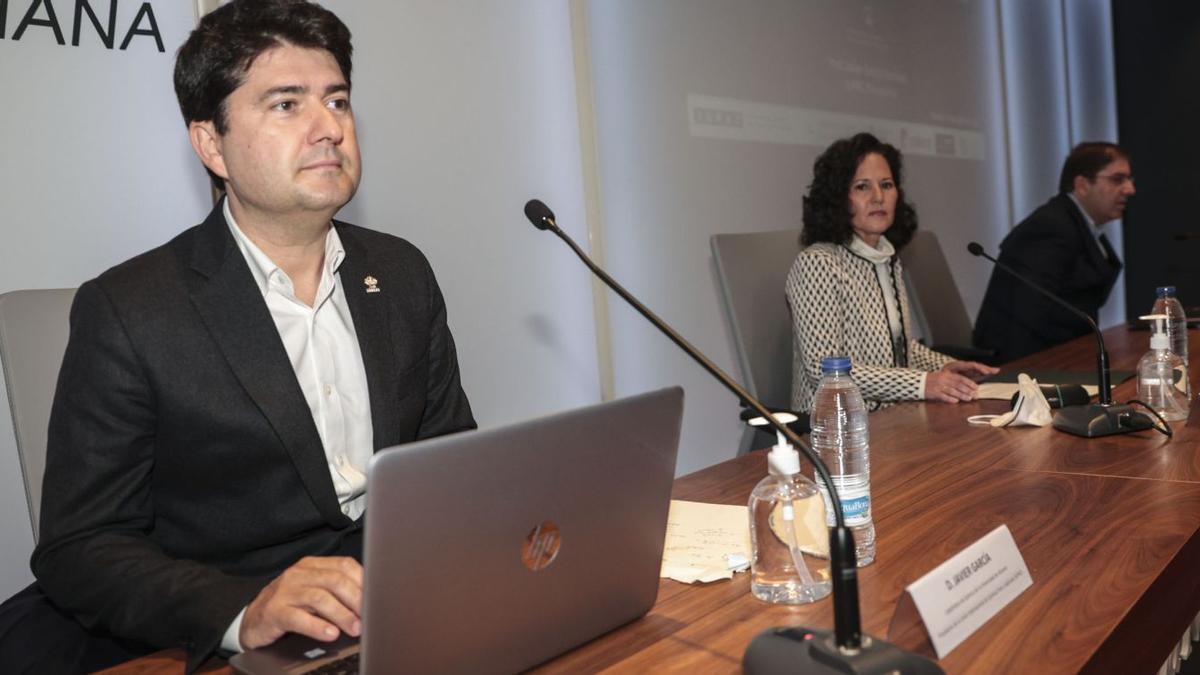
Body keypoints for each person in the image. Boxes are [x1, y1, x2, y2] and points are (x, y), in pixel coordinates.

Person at [0, 1, 476, 672]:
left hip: (387, 618)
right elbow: (82, 544)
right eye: (287, 105)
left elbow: (450, 464)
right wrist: (243, 610)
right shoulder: (130, 308)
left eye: (337, 101)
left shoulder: (400, 272)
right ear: (211, 144)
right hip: (219, 640)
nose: (328, 129)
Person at [787, 132, 997, 413]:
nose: (878, 197)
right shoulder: (818, 263)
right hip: (834, 428)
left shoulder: (886, 257)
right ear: (839, 199)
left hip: (892, 418)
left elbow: (897, 348)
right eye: (862, 187)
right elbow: (825, 370)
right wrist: (923, 384)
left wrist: (944, 367)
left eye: (886, 185)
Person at [973, 142, 1133, 363]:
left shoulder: (1079, 225)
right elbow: (1032, 316)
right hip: (1023, 365)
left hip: (1062, 356)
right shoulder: (1050, 227)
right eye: (1117, 179)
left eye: (1128, 179)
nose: (1130, 189)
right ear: (1082, 185)